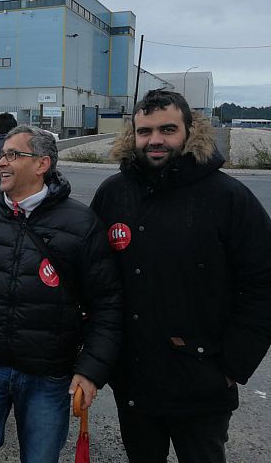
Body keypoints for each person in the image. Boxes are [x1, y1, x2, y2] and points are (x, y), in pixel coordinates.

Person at [91, 89, 271, 463]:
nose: (155, 140)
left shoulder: (228, 197)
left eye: (168, 129)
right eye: (145, 131)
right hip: (134, 381)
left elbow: (261, 284)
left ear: (190, 130)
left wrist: (233, 366)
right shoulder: (113, 194)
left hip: (203, 383)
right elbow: (94, 279)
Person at [0, 126, 123, 463]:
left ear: (42, 164)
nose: (1, 162)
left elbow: (107, 304)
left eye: (13, 155)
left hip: (49, 376)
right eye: (1, 155)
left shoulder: (81, 223)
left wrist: (90, 370)